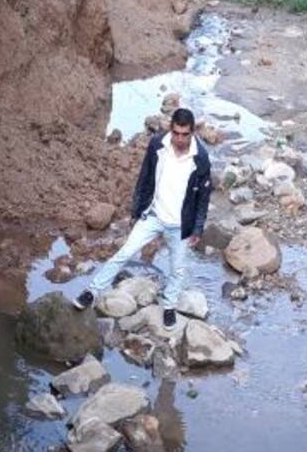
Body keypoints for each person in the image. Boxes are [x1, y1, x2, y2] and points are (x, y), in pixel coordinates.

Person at [73, 108, 212, 329]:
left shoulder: (201, 158)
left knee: (177, 269)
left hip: (180, 225)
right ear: (171, 128)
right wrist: (136, 212)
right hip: (153, 216)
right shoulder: (158, 145)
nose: (180, 139)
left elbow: (203, 197)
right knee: (125, 252)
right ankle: (91, 292)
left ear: (192, 132)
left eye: (185, 134)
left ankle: (168, 307)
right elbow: (144, 178)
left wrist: (197, 228)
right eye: (176, 133)